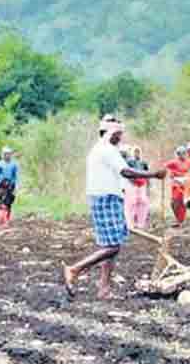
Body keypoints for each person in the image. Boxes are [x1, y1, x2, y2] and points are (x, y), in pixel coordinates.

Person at [63, 118, 165, 299]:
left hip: (105, 197)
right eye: (118, 135)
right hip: (106, 198)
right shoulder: (107, 150)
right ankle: (74, 269)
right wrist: (153, 175)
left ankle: (104, 289)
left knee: (109, 246)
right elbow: (126, 171)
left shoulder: (99, 149)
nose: (120, 138)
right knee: (113, 247)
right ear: (110, 134)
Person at [0, 146, 19, 226]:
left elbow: (16, 176)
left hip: (10, 186)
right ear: (2, 155)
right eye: (5, 154)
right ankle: (2, 221)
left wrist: (16, 187)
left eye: (9, 154)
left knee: (8, 204)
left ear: (11, 155)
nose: (7, 155)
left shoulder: (14, 164)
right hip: (1, 186)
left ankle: (6, 219)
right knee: (3, 203)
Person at [123, 145, 150, 229]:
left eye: (138, 152)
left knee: (143, 202)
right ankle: (130, 223)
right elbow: (126, 173)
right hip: (132, 184)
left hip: (142, 184)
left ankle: (140, 223)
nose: (136, 154)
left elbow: (147, 173)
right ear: (132, 153)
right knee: (132, 203)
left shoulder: (144, 163)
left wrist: (148, 183)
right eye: (135, 152)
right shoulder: (129, 162)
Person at [164, 145, 190, 227]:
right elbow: (164, 166)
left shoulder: (188, 162)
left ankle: (181, 221)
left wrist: (189, 177)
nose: (181, 155)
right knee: (173, 203)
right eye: (179, 153)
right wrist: (168, 173)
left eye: (183, 153)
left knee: (183, 203)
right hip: (176, 184)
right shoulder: (174, 162)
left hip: (185, 183)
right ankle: (178, 219)